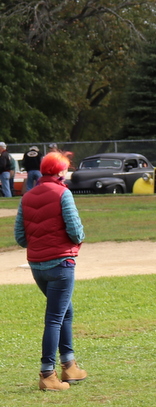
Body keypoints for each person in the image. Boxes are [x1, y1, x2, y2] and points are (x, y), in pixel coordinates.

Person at [14, 151, 88, 391]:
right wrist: (76, 242)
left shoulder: (27, 196)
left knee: (65, 312)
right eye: (65, 170)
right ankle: (48, 374)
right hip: (61, 264)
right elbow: (75, 230)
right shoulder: (63, 193)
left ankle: (69, 365)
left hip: (37, 266)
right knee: (55, 318)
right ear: (59, 172)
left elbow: (20, 237)